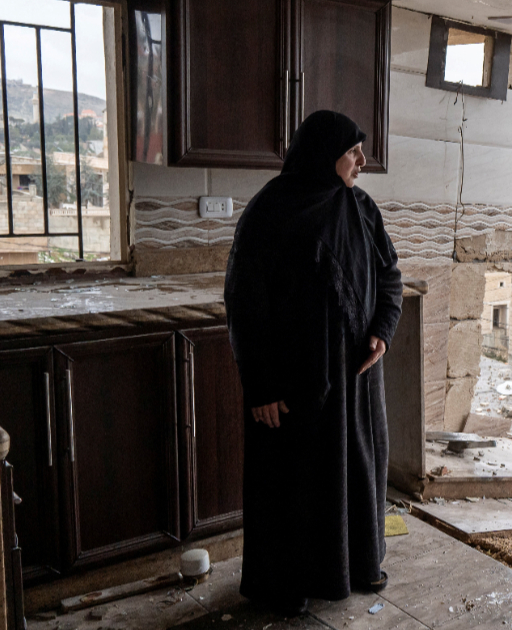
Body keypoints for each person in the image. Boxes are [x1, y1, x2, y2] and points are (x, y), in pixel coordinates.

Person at [224, 111, 403, 616]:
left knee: (357, 474)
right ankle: (289, 587)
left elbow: (390, 276)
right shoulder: (270, 211)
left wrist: (381, 332)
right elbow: (244, 302)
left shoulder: (362, 209)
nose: (362, 161)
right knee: (295, 484)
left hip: (356, 380)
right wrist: (261, 386)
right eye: (353, 152)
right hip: (295, 384)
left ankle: (359, 566)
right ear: (324, 155)